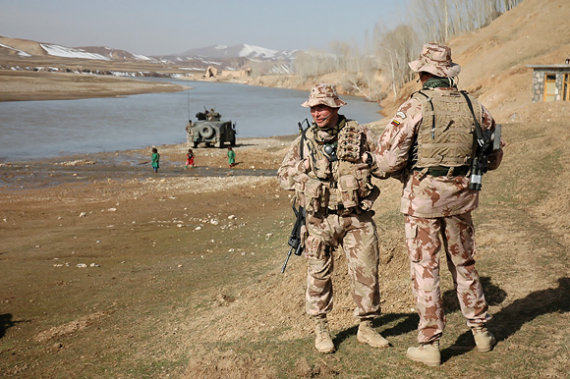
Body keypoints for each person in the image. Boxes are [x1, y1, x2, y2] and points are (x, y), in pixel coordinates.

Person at [371, 43, 504, 366]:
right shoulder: (476, 106)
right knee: (465, 264)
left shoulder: (415, 106)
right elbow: (495, 156)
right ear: (448, 73)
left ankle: (430, 344)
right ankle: (481, 332)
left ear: (422, 73)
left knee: (425, 269)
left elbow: (389, 161)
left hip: (423, 201)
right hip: (462, 198)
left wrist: (374, 163)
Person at [277, 83, 390, 354]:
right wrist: (299, 168)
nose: (317, 113)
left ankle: (366, 328)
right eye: (313, 108)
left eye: (323, 107)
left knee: (366, 272)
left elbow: (387, 166)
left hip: (356, 218)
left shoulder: (361, 134)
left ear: (336, 107)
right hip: (318, 221)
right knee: (318, 276)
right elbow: (282, 177)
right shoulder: (303, 142)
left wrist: (369, 159)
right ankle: (321, 330)